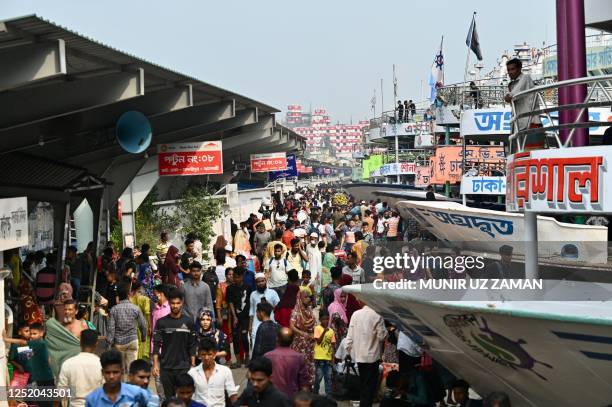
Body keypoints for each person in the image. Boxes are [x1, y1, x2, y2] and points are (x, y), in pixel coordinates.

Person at [152, 288, 198, 399]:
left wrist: (192, 365)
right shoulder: (161, 322)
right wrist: (155, 364)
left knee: (184, 398)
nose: (175, 306)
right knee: (169, 399)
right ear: (169, 303)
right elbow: (157, 344)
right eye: (172, 303)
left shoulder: (189, 322)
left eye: (178, 303)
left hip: (184, 367)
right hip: (166, 368)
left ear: (182, 303)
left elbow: (192, 344)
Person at [346, 303, 388, 407]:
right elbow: (382, 336)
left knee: (364, 383)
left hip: (360, 355)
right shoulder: (377, 315)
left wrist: (348, 351)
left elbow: (349, 336)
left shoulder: (355, 314)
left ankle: (364, 404)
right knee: (370, 386)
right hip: (372, 357)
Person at [107, 282, 147, 379]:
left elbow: (111, 328)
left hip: (118, 343)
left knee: (119, 370)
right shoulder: (135, 308)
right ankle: (131, 390)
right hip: (132, 341)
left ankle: (121, 389)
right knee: (132, 369)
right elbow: (143, 325)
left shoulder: (114, 309)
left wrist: (110, 342)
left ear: (118, 296)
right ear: (129, 295)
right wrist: (143, 337)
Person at [86, 350, 150, 407]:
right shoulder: (92, 399)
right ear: (102, 373)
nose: (111, 376)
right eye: (107, 373)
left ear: (122, 372)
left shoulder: (137, 392)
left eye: (115, 372)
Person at [504, 57, 543, 150]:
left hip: (530, 123)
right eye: (508, 70)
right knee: (517, 155)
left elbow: (513, 95)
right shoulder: (512, 84)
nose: (510, 72)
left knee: (531, 154)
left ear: (519, 69)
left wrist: (509, 95)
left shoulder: (526, 78)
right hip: (518, 125)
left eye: (512, 69)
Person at [57, 329, 103, 407]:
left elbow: (61, 392)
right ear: (96, 343)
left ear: (80, 342)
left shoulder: (68, 364)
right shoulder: (101, 364)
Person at [188, 338, 238, 407]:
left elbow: (232, 394)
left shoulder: (225, 371)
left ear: (215, 354)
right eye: (203, 354)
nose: (206, 358)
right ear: (199, 354)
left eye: (209, 354)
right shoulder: (192, 373)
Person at [263, 328, 310, 399]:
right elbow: (304, 384)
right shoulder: (299, 357)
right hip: (291, 398)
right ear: (292, 340)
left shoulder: (267, 356)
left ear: (277, 339)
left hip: (271, 399)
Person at [290, 288, 316, 388]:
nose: (308, 299)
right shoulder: (296, 311)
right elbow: (291, 326)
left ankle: (308, 387)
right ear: (299, 298)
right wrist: (302, 333)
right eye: (305, 297)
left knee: (309, 365)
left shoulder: (309, 310)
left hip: (309, 344)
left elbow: (314, 324)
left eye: (309, 297)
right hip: (299, 344)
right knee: (300, 365)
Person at [226, 267, 252, 368]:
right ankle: (237, 360)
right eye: (234, 277)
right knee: (236, 337)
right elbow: (230, 303)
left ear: (242, 277)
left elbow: (250, 302)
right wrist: (234, 317)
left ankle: (247, 357)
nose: (236, 279)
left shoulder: (248, 287)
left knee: (245, 337)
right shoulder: (230, 288)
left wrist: (250, 318)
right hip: (235, 316)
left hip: (246, 316)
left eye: (238, 277)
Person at [249, 273, 280, 344]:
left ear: (265, 281)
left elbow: (278, 308)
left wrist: (268, 305)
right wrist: (250, 326)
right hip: (256, 324)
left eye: (262, 281)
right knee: (255, 346)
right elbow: (251, 311)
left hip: (271, 323)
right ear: (256, 283)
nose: (260, 283)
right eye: (258, 282)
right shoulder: (253, 294)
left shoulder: (273, 293)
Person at [313, 310, 335, 397]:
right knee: (318, 377)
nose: (325, 321)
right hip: (319, 358)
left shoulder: (331, 331)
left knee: (328, 378)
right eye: (323, 319)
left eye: (327, 319)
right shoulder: (317, 328)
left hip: (328, 358)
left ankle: (328, 397)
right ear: (320, 319)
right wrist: (324, 331)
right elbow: (318, 341)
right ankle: (315, 395)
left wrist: (333, 358)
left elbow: (333, 345)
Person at [215, 267, 234, 362]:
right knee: (226, 337)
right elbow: (218, 303)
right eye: (229, 274)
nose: (231, 276)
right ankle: (228, 358)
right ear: (226, 275)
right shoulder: (221, 286)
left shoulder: (236, 285)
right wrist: (219, 317)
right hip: (225, 314)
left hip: (235, 314)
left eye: (232, 274)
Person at [129, 281, 151, 360]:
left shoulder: (130, 299)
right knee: (143, 344)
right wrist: (150, 326)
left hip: (132, 325)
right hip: (143, 324)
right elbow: (147, 313)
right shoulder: (145, 299)